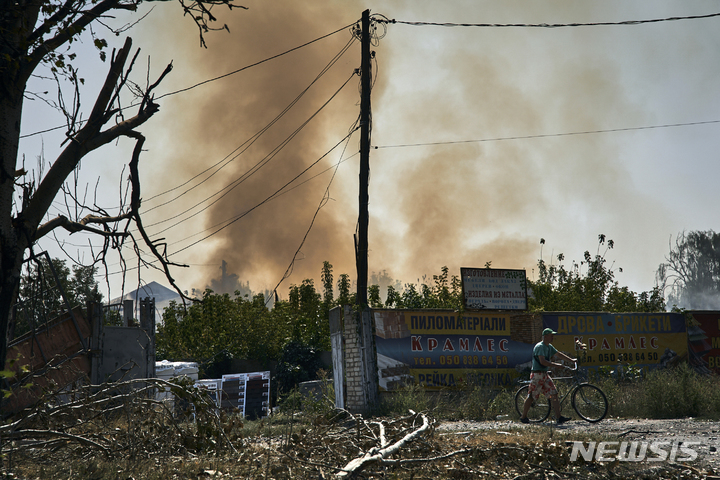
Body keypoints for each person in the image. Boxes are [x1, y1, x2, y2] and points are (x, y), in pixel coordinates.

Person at [519, 327, 576, 425]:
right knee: (532, 396)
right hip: (537, 375)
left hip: (544, 375)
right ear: (545, 336)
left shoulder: (549, 347)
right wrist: (556, 365)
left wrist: (571, 360)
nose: (553, 337)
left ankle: (559, 417)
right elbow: (543, 361)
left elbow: (559, 354)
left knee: (554, 393)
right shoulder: (540, 346)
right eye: (551, 335)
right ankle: (523, 417)